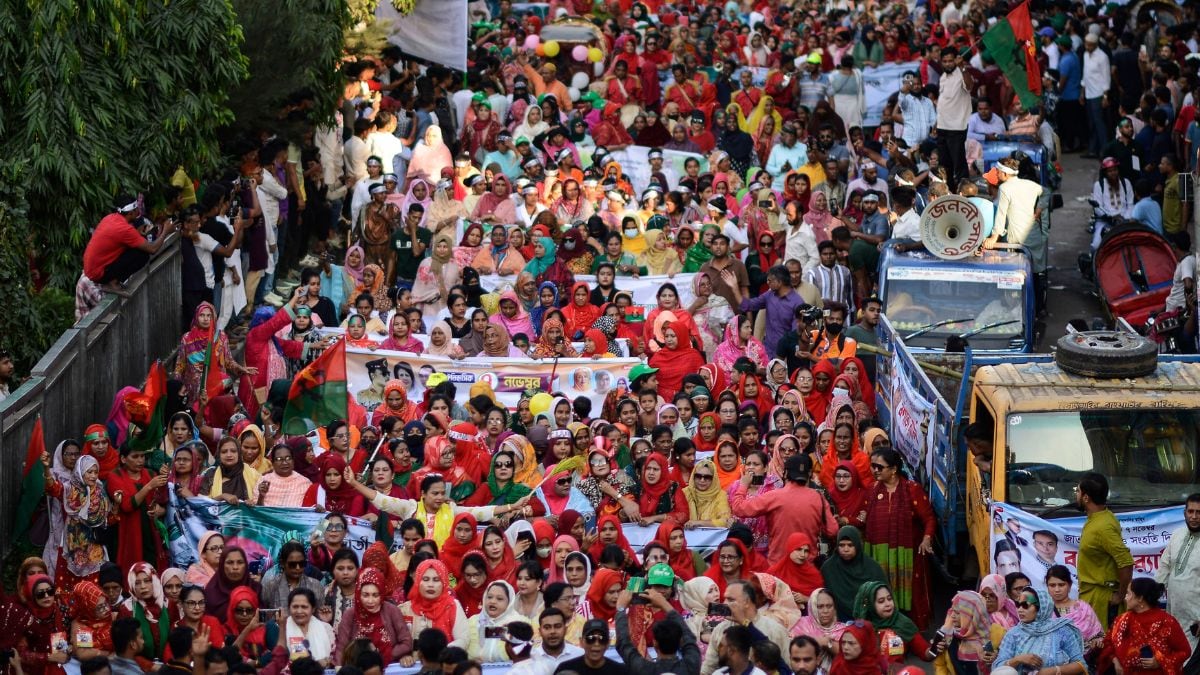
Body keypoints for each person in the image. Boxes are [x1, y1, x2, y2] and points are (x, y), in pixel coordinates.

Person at [863, 448, 936, 628]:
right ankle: (884, 630)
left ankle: (909, 632)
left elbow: (929, 518)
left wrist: (926, 539)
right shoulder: (871, 490)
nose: (875, 471)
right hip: (879, 555)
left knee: (911, 592)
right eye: (873, 466)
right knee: (881, 590)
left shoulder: (912, 490)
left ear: (894, 469)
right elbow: (863, 516)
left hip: (907, 554)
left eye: (879, 467)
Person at [729, 454, 839, 565]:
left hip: (778, 566)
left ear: (785, 473)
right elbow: (832, 530)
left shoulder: (774, 496)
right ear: (809, 474)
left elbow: (739, 508)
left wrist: (743, 485)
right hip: (806, 565)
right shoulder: (818, 498)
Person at [1075, 472, 1133, 631]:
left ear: (1086, 498)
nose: (1076, 495)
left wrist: (1121, 595)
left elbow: (1126, 562)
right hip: (1091, 595)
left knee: (1101, 649)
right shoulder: (1099, 517)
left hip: (1101, 600)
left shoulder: (1103, 526)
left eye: (1078, 491)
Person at [83, 195, 179, 289]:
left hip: (91, 269)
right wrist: (166, 231)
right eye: (137, 209)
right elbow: (152, 249)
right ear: (131, 213)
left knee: (137, 247)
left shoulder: (110, 218)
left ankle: (113, 280)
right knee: (142, 255)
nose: (138, 211)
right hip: (98, 274)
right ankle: (113, 281)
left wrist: (138, 235)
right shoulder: (124, 229)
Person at [1102, 578, 1192, 675]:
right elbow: (1108, 643)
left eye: (1128, 594)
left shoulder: (1166, 622)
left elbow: (1185, 651)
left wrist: (1160, 661)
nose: (1125, 598)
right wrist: (1116, 662)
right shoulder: (1122, 620)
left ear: (1140, 598)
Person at [993, 588, 1086, 675]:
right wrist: (1018, 659)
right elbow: (997, 667)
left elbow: (1080, 665)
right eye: (1018, 605)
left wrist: (1053, 671)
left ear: (1041, 607)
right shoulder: (1013, 634)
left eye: (1025, 605)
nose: (1020, 609)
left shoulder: (1061, 630)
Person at [614, 586, 701, 675]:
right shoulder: (691, 665)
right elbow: (689, 638)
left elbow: (623, 643)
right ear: (680, 641)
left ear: (655, 643)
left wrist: (621, 608)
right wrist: (664, 604)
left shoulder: (644, 669)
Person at [1157, 492, 1200, 650]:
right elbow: (1165, 566)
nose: (1194, 516)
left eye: (1198, 512)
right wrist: (1153, 595)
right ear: (1185, 513)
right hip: (1173, 614)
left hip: (1196, 621)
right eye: (1190, 511)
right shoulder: (1177, 535)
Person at [554, 618, 629, 674]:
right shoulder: (565, 669)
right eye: (590, 638)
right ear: (581, 641)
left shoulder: (621, 671)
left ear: (608, 643)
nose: (596, 643)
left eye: (602, 639)